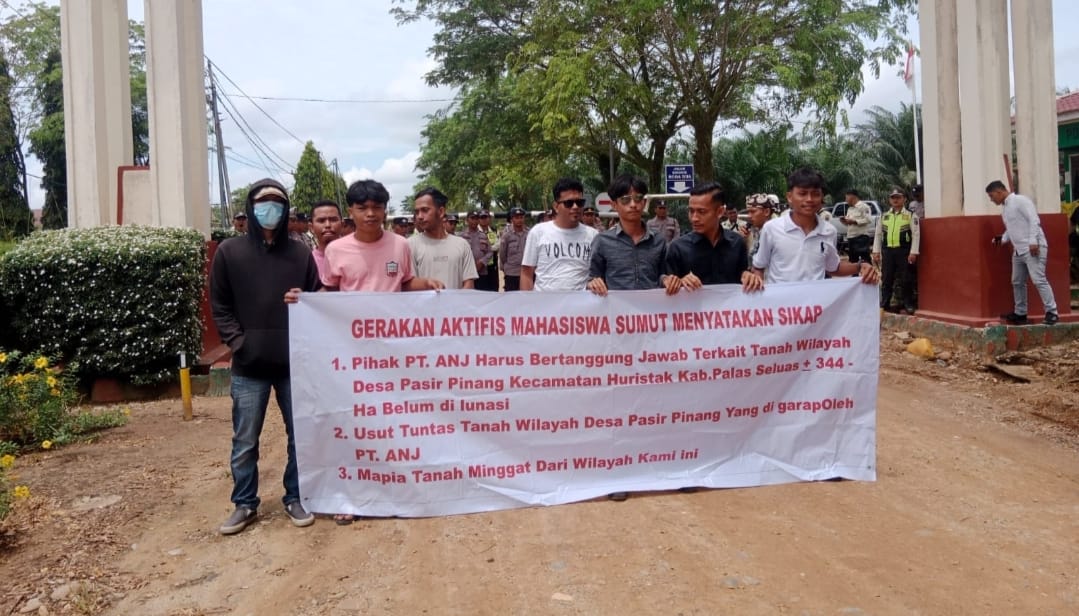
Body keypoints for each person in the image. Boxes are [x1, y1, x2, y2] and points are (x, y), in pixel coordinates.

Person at [209, 179, 320, 535]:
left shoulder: (300, 253)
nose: (270, 209)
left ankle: (295, 496)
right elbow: (220, 305)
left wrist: (304, 298)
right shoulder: (229, 252)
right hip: (248, 365)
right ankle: (244, 503)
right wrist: (238, 343)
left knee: (299, 435)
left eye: (277, 202)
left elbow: (317, 298)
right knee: (245, 440)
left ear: (286, 210)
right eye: (263, 202)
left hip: (293, 365)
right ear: (251, 207)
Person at [751, 169, 879, 285]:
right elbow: (758, 267)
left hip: (815, 302)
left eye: (816, 194)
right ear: (789, 197)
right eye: (802, 193)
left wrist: (860, 266)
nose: (809, 199)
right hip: (782, 302)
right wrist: (757, 288)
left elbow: (833, 267)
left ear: (822, 197)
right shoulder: (772, 229)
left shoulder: (829, 232)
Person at [587, 175, 681, 299]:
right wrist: (593, 283)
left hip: (651, 308)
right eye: (625, 199)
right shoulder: (602, 242)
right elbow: (592, 279)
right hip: (616, 309)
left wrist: (667, 280)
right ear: (614, 205)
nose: (633, 204)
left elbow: (663, 275)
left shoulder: (659, 241)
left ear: (644, 203)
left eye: (638, 198)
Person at [665, 182, 764, 292]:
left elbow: (741, 276)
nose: (694, 218)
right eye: (691, 211)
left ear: (720, 212)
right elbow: (667, 286)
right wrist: (679, 282)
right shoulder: (678, 248)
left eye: (701, 212)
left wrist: (748, 277)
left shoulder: (737, 243)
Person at [986, 180, 1059, 325]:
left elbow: (1034, 220)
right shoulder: (1005, 208)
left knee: (1039, 280)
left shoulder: (1020, 201)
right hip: (1019, 250)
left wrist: (1033, 241)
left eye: (992, 196)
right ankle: (1020, 313)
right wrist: (1003, 238)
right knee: (1017, 282)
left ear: (999, 192)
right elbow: (1012, 228)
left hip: (1033, 247)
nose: (991, 200)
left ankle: (1052, 312)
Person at [521, 177, 599, 291]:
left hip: (581, 302)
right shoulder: (538, 232)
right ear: (556, 206)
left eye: (579, 202)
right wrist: (528, 301)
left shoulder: (593, 236)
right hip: (545, 301)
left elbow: (598, 274)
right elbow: (526, 274)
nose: (575, 207)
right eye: (569, 203)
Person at [408, 187, 478, 289]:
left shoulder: (462, 245)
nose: (420, 216)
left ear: (441, 212)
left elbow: (469, 283)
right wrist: (426, 284)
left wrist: (458, 300)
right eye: (417, 212)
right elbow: (408, 284)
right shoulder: (410, 245)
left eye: (425, 210)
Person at [872, 188, 920, 314]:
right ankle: (884, 303)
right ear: (889, 200)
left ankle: (908, 303)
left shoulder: (910, 215)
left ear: (904, 199)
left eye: (898, 197)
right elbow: (878, 234)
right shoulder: (884, 216)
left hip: (904, 251)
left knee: (906, 278)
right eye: (893, 197)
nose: (895, 200)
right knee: (887, 278)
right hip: (887, 251)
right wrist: (876, 251)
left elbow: (916, 235)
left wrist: (913, 252)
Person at [460, 210, 494, 290]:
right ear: (467, 220)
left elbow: (490, 252)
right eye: (472, 218)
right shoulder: (461, 236)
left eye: (476, 219)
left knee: (481, 295)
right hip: (467, 273)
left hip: (481, 272)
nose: (474, 221)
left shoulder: (483, 235)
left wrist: (482, 262)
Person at [309, 200, 343, 279]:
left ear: (342, 224)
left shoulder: (355, 256)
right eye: (321, 221)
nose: (328, 225)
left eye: (333, 220)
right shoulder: (307, 263)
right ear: (311, 227)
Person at [499, 207, 529, 291]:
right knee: (511, 297)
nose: (519, 220)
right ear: (512, 219)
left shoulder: (530, 234)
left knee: (527, 297)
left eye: (521, 217)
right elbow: (502, 255)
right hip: (511, 273)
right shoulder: (507, 235)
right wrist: (505, 268)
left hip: (526, 272)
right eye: (516, 218)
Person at [840, 189, 873, 265]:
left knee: (865, 260)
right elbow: (849, 223)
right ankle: (855, 273)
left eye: (846, 197)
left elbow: (868, 220)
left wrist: (854, 221)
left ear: (852, 196)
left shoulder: (863, 207)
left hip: (861, 238)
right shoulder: (850, 209)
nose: (845, 200)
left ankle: (869, 272)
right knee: (853, 261)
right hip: (851, 237)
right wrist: (844, 221)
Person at [743, 193, 777, 258]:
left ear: (766, 212)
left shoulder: (777, 233)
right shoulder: (754, 230)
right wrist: (744, 240)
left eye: (753, 212)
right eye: (748, 212)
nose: (749, 216)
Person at [478, 210, 500, 291]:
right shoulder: (475, 231)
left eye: (486, 217)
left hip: (492, 266)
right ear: (478, 219)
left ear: (489, 218)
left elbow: (499, 245)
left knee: (494, 288)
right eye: (482, 217)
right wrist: (491, 248)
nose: (484, 219)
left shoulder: (494, 230)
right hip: (480, 266)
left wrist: (488, 249)